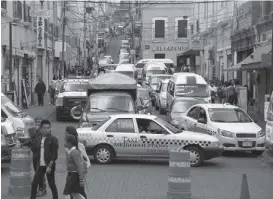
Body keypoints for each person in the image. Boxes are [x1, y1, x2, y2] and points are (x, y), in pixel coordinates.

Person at [30, 120, 59, 199]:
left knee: (51, 184)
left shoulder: (53, 139)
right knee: (34, 183)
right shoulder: (39, 139)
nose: (46, 130)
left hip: (49, 166)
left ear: (50, 128)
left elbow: (54, 155)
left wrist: (49, 166)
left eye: (48, 128)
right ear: (41, 129)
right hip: (40, 165)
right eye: (44, 128)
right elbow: (35, 150)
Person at [65, 126, 90, 199]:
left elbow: (86, 161)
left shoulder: (79, 145)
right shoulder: (67, 145)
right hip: (71, 172)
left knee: (78, 192)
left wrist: (81, 174)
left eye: (66, 133)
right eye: (65, 133)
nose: (65, 135)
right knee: (73, 192)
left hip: (77, 173)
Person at [26, 117, 47, 197]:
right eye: (37, 122)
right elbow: (31, 140)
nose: (38, 123)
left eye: (40, 122)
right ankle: (43, 188)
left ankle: (41, 189)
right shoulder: (34, 131)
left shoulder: (43, 132)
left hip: (41, 155)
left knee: (39, 173)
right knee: (38, 172)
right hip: (35, 154)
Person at [63, 134, 86, 199]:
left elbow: (79, 166)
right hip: (71, 174)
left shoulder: (74, 153)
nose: (64, 143)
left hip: (74, 175)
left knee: (67, 192)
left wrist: (81, 179)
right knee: (74, 193)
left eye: (66, 141)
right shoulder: (71, 151)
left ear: (70, 143)